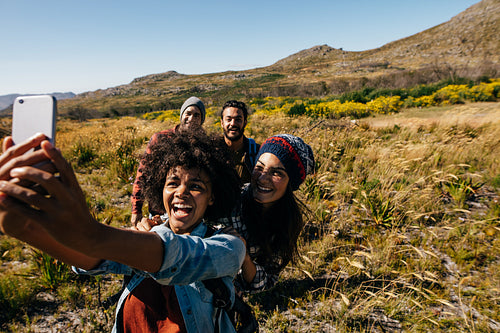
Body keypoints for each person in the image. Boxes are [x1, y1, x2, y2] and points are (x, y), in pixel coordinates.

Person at [0, 131, 245, 333]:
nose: (181, 192)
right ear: (160, 190)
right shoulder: (142, 234)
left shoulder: (228, 244)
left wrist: (94, 235)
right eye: (173, 183)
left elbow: (180, 256)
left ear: (213, 197)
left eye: (196, 186)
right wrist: (29, 230)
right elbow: (94, 257)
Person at [222, 134, 315, 294]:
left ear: (291, 183)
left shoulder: (286, 223)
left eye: (276, 173)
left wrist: (243, 257)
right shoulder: (229, 198)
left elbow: (266, 280)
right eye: (259, 167)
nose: (263, 178)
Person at [131, 96, 206, 225]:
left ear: (201, 120)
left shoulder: (203, 143)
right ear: (182, 115)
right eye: (188, 113)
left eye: (196, 115)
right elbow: (142, 174)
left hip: (189, 210)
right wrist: (136, 209)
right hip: (159, 212)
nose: (191, 119)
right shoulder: (161, 139)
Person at [220, 100, 260, 184]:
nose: (233, 124)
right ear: (222, 123)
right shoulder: (212, 151)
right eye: (229, 119)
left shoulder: (256, 153)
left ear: (245, 123)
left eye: (238, 119)